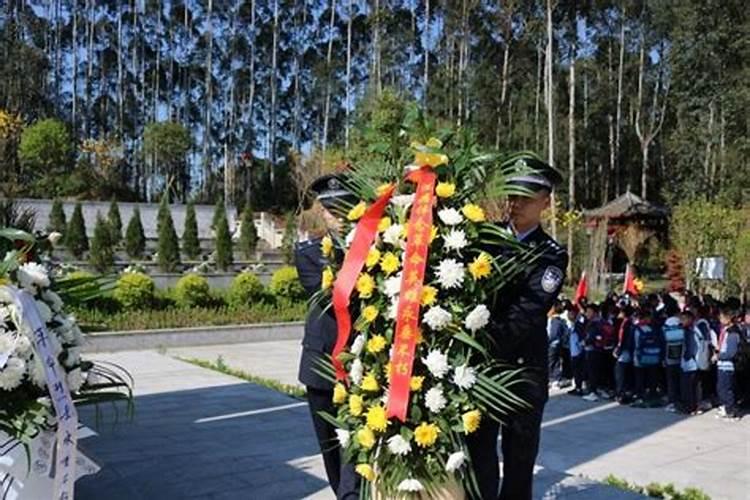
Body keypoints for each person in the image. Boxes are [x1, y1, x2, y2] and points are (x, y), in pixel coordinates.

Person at [467, 156, 568, 500]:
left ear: (545, 201)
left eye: (525, 196)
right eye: (512, 195)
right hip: (482, 371)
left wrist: (478, 339)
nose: (516, 204)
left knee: (519, 461)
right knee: (478, 455)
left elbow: (528, 311)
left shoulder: (551, 254)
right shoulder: (484, 239)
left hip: (523, 371)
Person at [295, 174, 359, 499]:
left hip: (363, 364)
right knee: (332, 448)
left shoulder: (380, 247)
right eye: (332, 210)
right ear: (322, 213)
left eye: (345, 207)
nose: (339, 216)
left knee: (358, 448)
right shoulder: (309, 252)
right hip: (322, 364)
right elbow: (334, 297)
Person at [715, 302, 742, 420]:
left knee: (726, 388)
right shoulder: (726, 330)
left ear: (728, 318)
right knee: (721, 387)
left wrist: (719, 356)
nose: (719, 319)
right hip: (722, 365)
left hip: (727, 365)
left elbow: (731, 353)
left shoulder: (732, 333)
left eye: (721, 317)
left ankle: (730, 409)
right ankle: (725, 407)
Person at [632, 306, 662, 407]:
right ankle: (652, 396)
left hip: (640, 357)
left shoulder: (637, 329)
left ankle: (640, 396)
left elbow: (635, 344)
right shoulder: (653, 328)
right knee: (652, 377)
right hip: (653, 357)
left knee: (640, 377)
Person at [662, 300, 685, 412]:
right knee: (680, 378)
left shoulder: (666, 323)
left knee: (671, 380)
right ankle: (680, 399)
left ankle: (672, 401)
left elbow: (663, 340)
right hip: (681, 354)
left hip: (669, 354)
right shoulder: (681, 323)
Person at [679, 309, 701, 414]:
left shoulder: (690, 331)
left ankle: (688, 407)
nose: (681, 321)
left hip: (690, 363)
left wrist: (687, 357)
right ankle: (693, 406)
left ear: (690, 319)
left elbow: (691, 347)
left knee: (687, 386)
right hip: (693, 363)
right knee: (692, 387)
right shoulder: (694, 330)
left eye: (683, 319)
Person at [613, 305, 635, 404]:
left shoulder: (625, 323)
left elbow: (622, 339)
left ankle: (621, 394)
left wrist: (618, 349)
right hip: (630, 350)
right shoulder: (632, 323)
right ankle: (626, 393)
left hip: (625, 351)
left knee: (620, 372)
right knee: (627, 373)